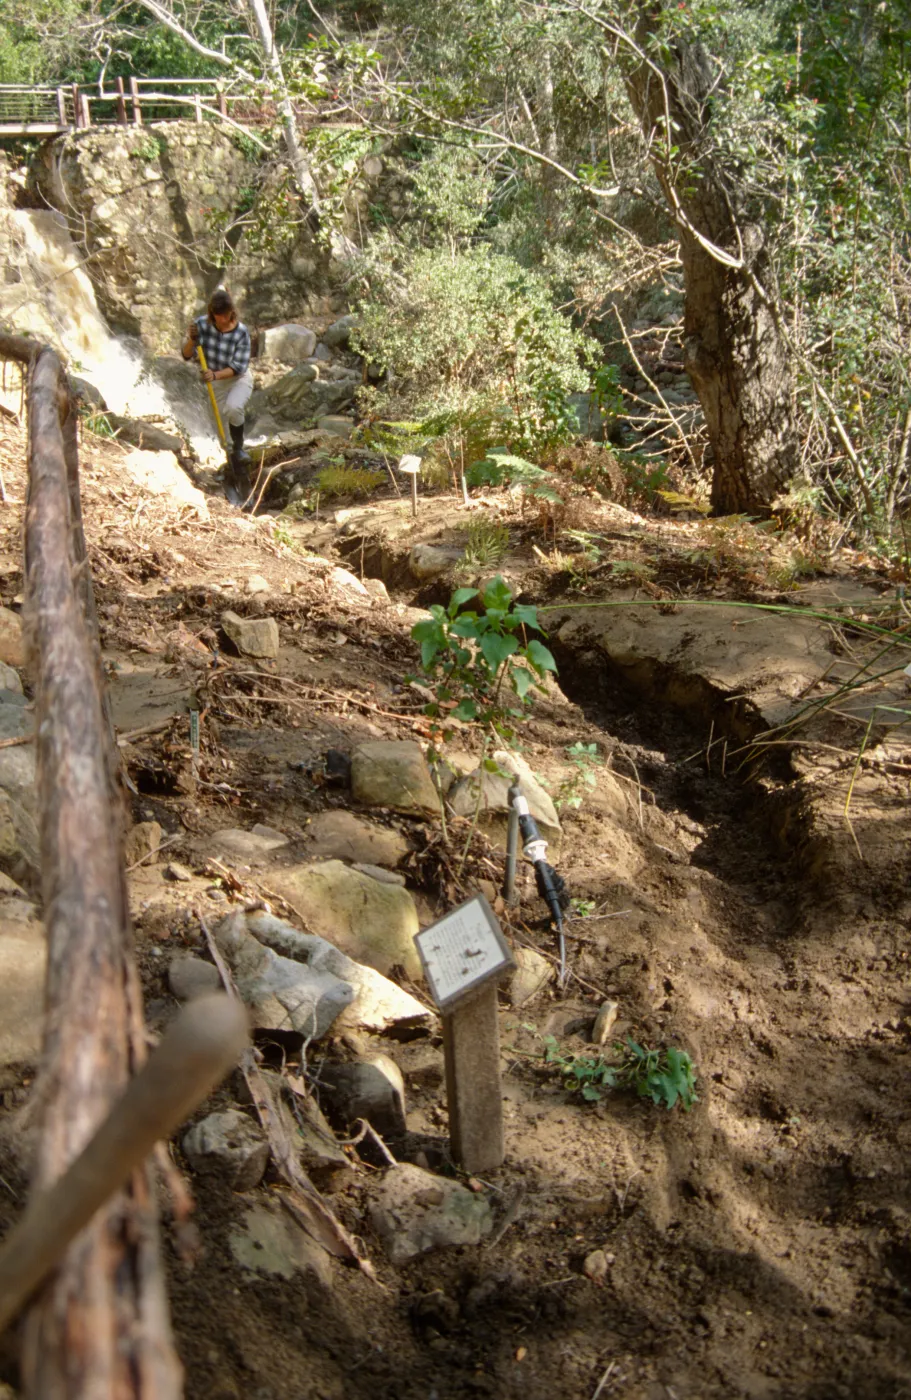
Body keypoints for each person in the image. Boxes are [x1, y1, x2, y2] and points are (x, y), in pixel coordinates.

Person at [182, 288, 253, 500]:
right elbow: (186, 355)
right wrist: (191, 340)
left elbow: (239, 366)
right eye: (216, 316)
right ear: (212, 314)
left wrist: (214, 375)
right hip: (215, 386)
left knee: (234, 407)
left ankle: (240, 451)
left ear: (232, 311)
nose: (220, 320)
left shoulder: (241, 332)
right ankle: (234, 469)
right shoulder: (202, 325)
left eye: (224, 315)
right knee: (223, 435)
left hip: (237, 379)